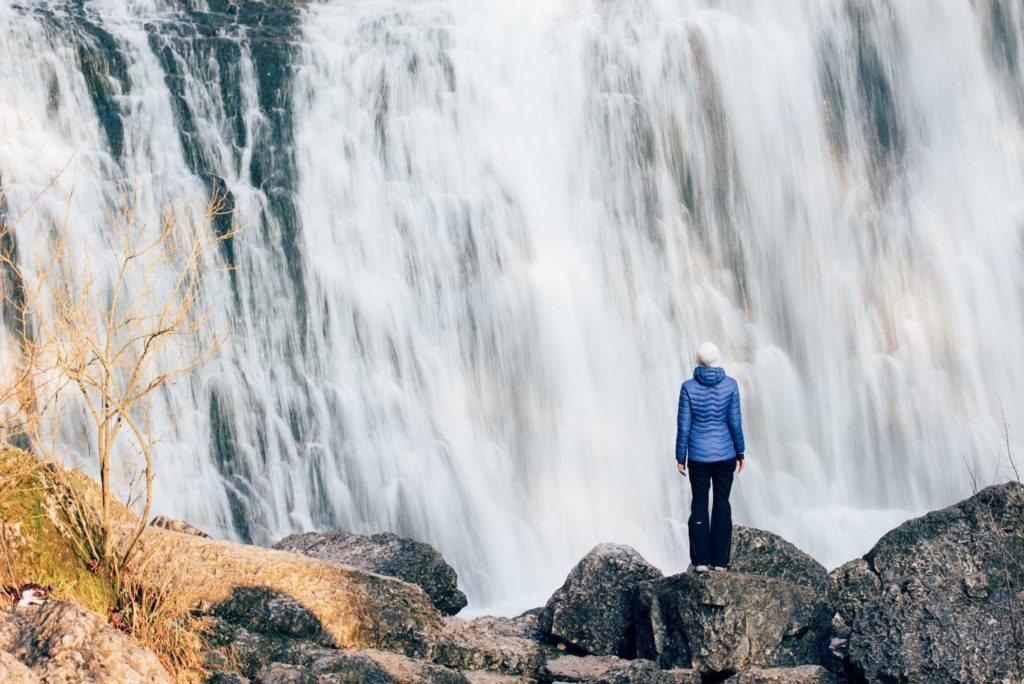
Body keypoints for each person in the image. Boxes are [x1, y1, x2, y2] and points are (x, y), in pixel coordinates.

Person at [675, 341, 745, 572]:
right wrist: (740, 451)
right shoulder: (731, 385)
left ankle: (701, 561)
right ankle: (720, 562)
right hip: (725, 455)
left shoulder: (688, 387)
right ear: (718, 359)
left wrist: (680, 456)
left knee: (699, 503)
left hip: (698, 456)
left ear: (697, 360)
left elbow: (684, 426)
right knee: (722, 503)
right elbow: (734, 422)